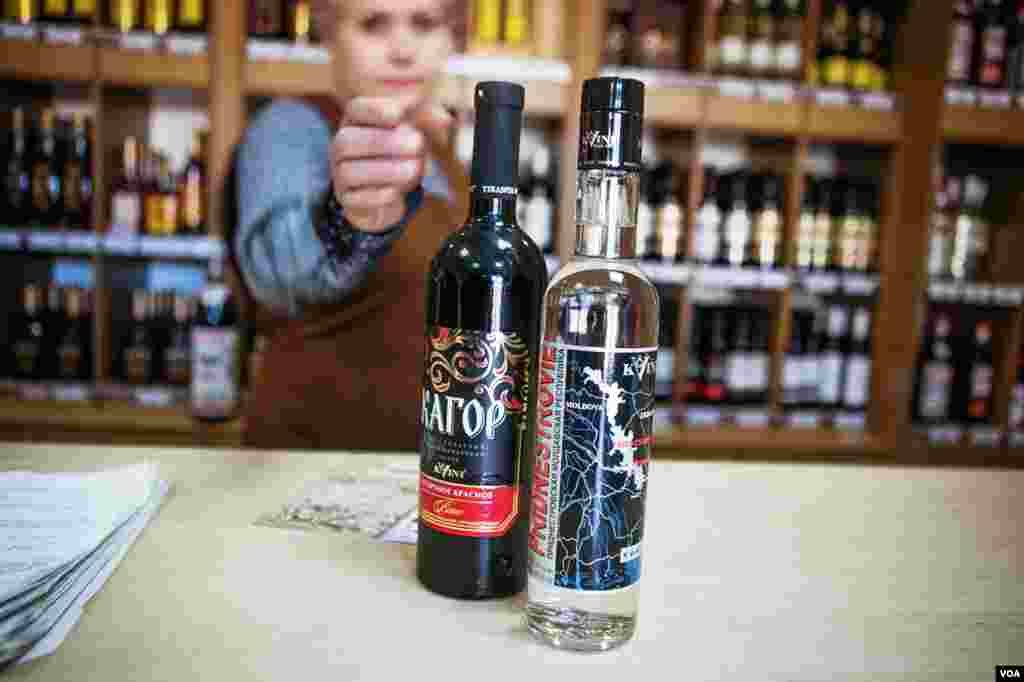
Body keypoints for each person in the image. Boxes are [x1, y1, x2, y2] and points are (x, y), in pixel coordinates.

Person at [234, 0, 468, 450]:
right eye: (374, 24)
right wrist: (352, 221)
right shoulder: (289, 127)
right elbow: (279, 273)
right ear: (329, 32)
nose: (403, 50)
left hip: (415, 479)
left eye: (424, 23)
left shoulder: (444, 157)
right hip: (304, 472)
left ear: (450, 35)